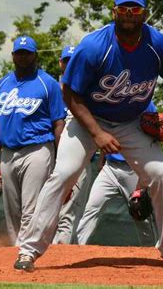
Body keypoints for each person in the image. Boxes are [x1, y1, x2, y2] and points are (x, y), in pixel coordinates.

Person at [14, 0, 163, 272]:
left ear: (144, 13)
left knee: (160, 174)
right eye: (123, 8)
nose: (129, 14)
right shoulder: (94, 46)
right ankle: (29, 250)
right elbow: (70, 94)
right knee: (64, 174)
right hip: (87, 120)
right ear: (114, 11)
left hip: (131, 122)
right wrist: (97, 133)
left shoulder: (157, 44)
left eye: (135, 8)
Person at [0, 36, 66, 246]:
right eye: (19, 53)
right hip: (8, 152)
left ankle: (25, 251)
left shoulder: (48, 83)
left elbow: (58, 123)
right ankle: (18, 249)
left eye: (27, 53)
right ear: (13, 56)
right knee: (12, 210)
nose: (23, 57)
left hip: (37, 149)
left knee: (30, 208)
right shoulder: (2, 84)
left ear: (35, 55)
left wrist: (60, 157)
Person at [76, 101, 159, 247]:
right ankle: (76, 249)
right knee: (91, 209)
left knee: (141, 214)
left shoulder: (146, 103)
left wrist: (144, 174)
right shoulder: (112, 98)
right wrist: (103, 157)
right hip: (110, 168)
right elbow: (106, 131)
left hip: (134, 169)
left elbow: (154, 136)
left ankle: (151, 253)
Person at [53, 45, 95, 245]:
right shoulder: (52, 89)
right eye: (66, 61)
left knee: (68, 213)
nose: (70, 64)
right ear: (61, 63)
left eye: (73, 61)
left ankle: (60, 255)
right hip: (51, 159)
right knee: (46, 210)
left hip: (77, 160)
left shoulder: (90, 92)